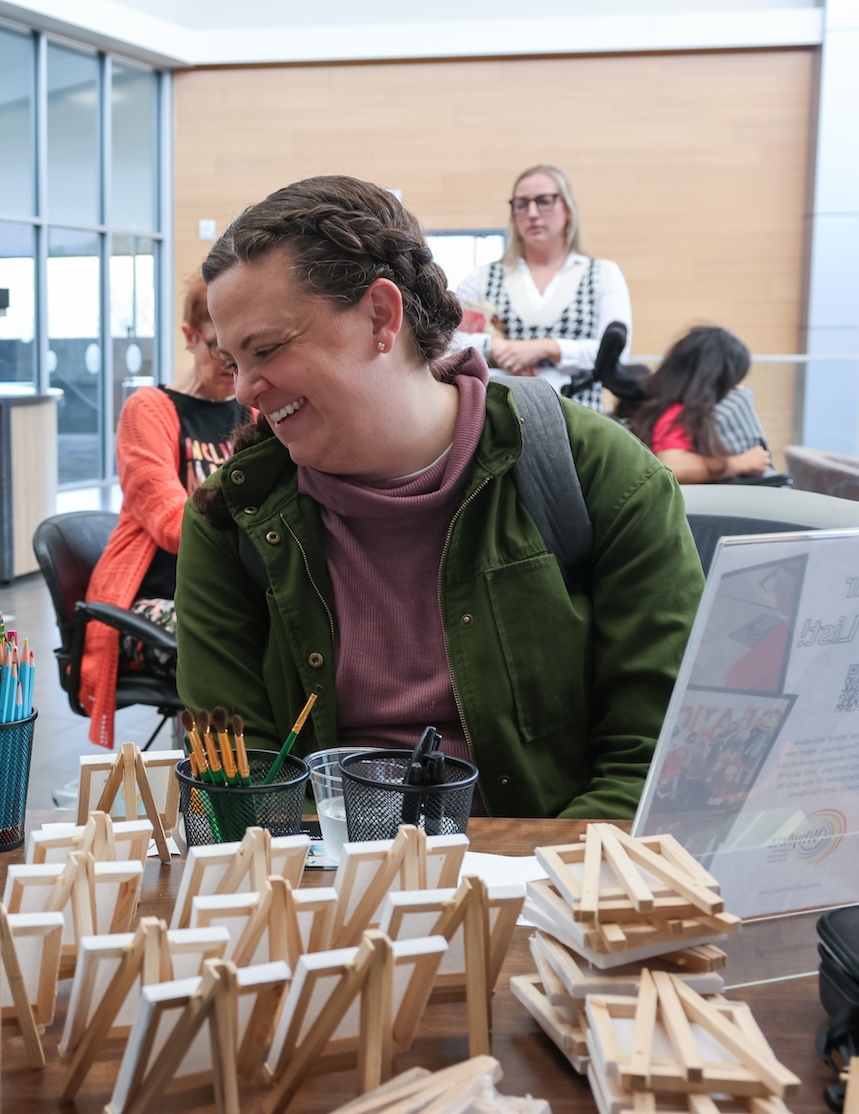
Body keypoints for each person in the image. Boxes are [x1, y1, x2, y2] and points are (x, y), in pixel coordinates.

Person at [176, 175, 704, 820]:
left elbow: (657, 758)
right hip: (323, 891)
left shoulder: (598, 476)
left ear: (380, 315)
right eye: (233, 361)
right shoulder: (232, 519)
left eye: (265, 349)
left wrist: (525, 895)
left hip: (561, 894)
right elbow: (236, 781)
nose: (244, 391)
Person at [78, 273, 250, 747]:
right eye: (219, 347)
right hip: (154, 599)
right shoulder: (150, 410)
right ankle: (217, 782)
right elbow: (176, 526)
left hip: (227, 587)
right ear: (190, 337)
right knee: (247, 631)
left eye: (245, 349)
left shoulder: (254, 410)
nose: (232, 364)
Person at [452, 165, 632, 411]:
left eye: (544, 201)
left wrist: (546, 348)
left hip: (580, 423)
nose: (533, 213)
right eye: (522, 204)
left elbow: (617, 353)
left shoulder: (603, 274)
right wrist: (493, 346)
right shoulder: (483, 277)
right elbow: (448, 340)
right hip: (503, 423)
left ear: (568, 209)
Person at [617, 326, 773, 484]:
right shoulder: (676, 413)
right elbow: (673, 465)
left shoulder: (661, 406)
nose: (731, 392)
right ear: (716, 381)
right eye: (730, 385)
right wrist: (739, 463)